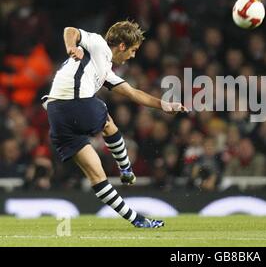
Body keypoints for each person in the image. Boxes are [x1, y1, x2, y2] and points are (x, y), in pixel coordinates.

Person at [42, 20, 187, 228]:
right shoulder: (99, 45)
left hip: (56, 115)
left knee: (97, 176)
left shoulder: (103, 70)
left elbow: (133, 93)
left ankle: (137, 220)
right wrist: (71, 47)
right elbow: (70, 30)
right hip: (74, 103)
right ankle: (126, 169)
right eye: (133, 50)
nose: (133, 56)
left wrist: (164, 105)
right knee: (106, 117)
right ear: (121, 46)